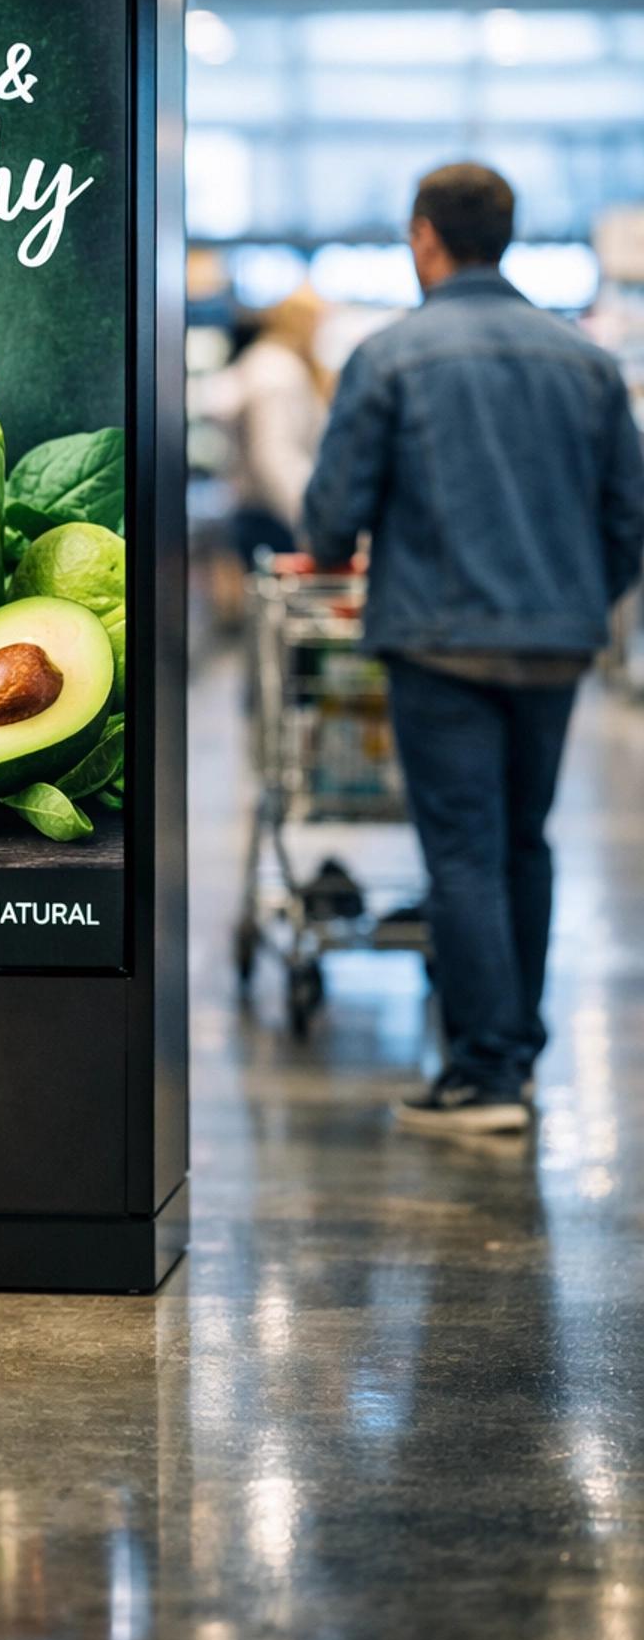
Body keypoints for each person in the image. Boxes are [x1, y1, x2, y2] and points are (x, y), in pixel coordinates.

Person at [302, 162, 644, 1135]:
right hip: (555, 642)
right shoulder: (583, 361)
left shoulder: (392, 356)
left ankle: (485, 1074)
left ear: (423, 237)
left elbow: (334, 511)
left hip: (438, 640)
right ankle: (517, 1058)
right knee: (523, 842)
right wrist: (585, 600)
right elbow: (630, 513)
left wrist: (329, 555)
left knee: (461, 853)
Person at [199, 285, 331, 570]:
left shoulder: (266, 362)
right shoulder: (277, 371)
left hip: (263, 513)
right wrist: (311, 521)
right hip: (273, 517)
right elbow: (273, 456)